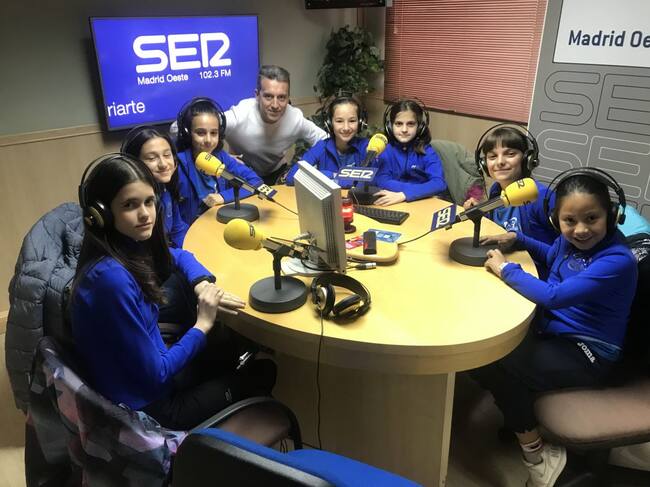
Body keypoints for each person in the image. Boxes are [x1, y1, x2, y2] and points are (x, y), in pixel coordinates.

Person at [71, 154, 275, 430]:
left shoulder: (124, 245)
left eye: (148, 201)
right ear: (101, 215)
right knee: (264, 371)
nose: (145, 214)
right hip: (151, 407)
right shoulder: (111, 280)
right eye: (130, 205)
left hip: (150, 371)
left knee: (227, 350)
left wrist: (202, 283)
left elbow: (179, 255)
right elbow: (158, 373)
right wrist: (202, 324)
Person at [471, 168, 638, 487]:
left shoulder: (616, 261)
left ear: (612, 215)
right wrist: (519, 239)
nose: (581, 229)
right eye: (569, 221)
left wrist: (506, 269)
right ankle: (522, 413)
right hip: (555, 333)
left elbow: (554, 296)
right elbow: (552, 255)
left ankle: (536, 455)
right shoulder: (568, 242)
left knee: (491, 360)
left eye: (592, 218)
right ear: (556, 220)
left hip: (587, 352)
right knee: (485, 346)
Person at [224, 65, 327, 184]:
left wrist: (307, 163)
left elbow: (325, 140)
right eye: (268, 96)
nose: (275, 105)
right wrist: (225, 158)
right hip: (241, 174)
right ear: (257, 95)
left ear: (288, 98)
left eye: (281, 97)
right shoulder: (239, 115)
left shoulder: (294, 118)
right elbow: (205, 127)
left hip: (276, 175)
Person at [464, 125, 557, 252]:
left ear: (527, 159)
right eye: (492, 156)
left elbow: (563, 253)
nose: (500, 162)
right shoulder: (496, 189)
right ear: (483, 164)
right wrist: (480, 213)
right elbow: (500, 227)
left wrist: (519, 240)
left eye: (510, 154)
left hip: (531, 263)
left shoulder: (541, 197)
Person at [175, 97, 264, 224]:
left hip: (218, 224)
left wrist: (223, 196)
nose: (208, 140)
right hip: (191, 230)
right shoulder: (177, 166)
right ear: (187, 133)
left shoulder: (222, 158)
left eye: (213, 133)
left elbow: (256, 182)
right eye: (200, 133)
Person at [121, 126, 188, 248]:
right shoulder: (130, 202)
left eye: (167, 155)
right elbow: (143, 249)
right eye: (152, 158)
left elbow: (177, 229)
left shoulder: (165, 187)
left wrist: (190, 249)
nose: (163, 164)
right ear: (133, 163)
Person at [372, 99, 447, 206]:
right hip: (393, 203)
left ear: (420, 127)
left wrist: (405, 194)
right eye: (398, 124)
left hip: (421, 203)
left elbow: (439, 183)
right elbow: (381, 180)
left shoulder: (427, 151)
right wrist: (422, 189)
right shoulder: (385, 150)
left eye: (410, 124)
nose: (404, 129)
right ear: (390, 126)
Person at [285, 93, 369, 187]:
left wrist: (326, 177)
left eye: (352, 121)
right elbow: (291, 178)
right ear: (329, 123)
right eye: (339, 121)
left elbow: (373, 181)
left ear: (360, 122)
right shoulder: (321, 147)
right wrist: (334, 175)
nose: (346, 128)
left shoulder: (367, 147)